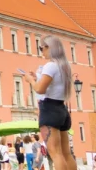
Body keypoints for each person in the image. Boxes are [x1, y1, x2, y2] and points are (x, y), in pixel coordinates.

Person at [23, 35, 75, 170]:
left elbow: (40, 89)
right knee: (66, 153)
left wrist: (30, 80)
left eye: (42, 48)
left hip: (49, 109)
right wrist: (38, 77)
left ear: (49, 48)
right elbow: (53, 86)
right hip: (61, 108)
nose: (42, 52)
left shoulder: (50, 66)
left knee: (55, 153)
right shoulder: (65, 66)